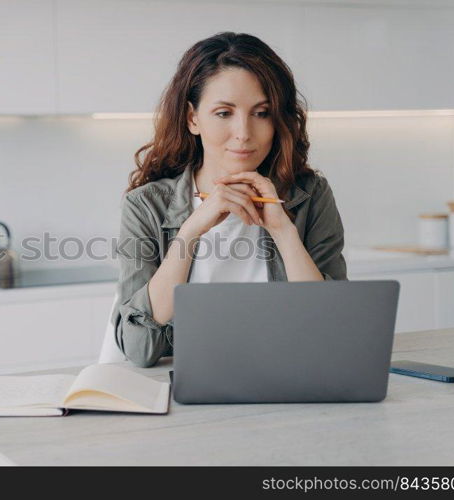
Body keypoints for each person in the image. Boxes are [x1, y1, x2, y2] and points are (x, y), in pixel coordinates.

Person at [112, 32, 347, 368]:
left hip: (289, 381)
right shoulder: (146, 205)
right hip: (188, 396)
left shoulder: (310, 195)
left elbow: (333, 332)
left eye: (261, 113)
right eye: (224, 113)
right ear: (193, 118)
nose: (244, 133)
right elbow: (139, 350)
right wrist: (190, 232)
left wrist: (283, 230)